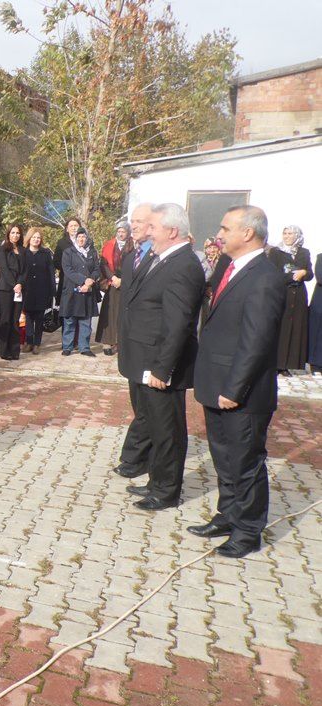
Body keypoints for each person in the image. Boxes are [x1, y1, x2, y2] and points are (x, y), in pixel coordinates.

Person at [189, 205, 287, 558]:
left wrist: (234, 388)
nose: (219, 234)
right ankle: (227, 515)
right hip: (217, 383)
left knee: (245, 463)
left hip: (242, 392)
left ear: (248, 233)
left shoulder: (264, 276)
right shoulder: (229, 267)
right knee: (223, 458)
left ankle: (247, 532)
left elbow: (256, 341)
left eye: (225, 228)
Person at [117, 203, 205, 511]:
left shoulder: (184, 265)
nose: (147, 232)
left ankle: (166, 491)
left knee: (167, 430)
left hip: (160, 364)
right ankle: (156, 480)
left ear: (172, 230)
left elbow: (178, 324)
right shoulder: (162, 259)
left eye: (153, 227)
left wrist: (162, 368)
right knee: (155, 425)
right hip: (145, 359)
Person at [114, 203, 155, 479]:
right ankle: (140, 456)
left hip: (151, 346)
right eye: (132, 222)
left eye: (139, 221)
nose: (133, 226)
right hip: (131, 343)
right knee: (139, 404)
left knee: (150, 408)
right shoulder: (131, 258)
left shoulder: (161, 258)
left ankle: (136, 457)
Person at [267, 226, 313, 375]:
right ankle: (276, 363)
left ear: (297, 235)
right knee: (281, 326)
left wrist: (303, 272)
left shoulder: (304, 252)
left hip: (298, 295)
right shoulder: (276, 252)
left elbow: (310, 274)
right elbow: (272, 272)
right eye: (285, 233)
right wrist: (292, 275)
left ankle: (286, 364)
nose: (287, 236)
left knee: (294, 328)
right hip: (283, 292)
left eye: (290, 233)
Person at [58, 228, 100, 356]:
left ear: (86, 238)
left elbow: (97, 269)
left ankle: (84, 347)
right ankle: (67, 347)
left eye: (83, 237)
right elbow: (68, 270)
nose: (81, 239)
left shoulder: (92, 252)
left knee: (85, 321)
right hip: (72, 290)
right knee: (70, 320)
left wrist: (90, 281)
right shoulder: (68, 252)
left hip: (88, 291)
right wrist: (83, 280)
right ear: (75, 238)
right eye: (79, 237)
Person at [95, 220, 133, 356]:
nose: (120, 234)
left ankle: (120, 342)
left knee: (123, 313)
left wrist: (124, 280)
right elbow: (103, 264)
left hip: (127, 283)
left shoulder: (133, 245)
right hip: (112, 282)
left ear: (128, 233)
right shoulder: (109, 245)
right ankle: (108, 341)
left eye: (123, 231)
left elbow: (136, 265)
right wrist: (113, 278)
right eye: (119, 231)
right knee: (109, 313)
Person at [0, 223, 26, 360]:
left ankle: (14, 350)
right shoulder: (3, 249)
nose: (15, 235)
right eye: (13, 233)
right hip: (6, 289)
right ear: (8, 234)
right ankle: (3, 350)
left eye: (17, 233)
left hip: (19, 289)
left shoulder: (23, 250)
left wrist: (20, 283)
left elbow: (25, 270)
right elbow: (4, 269)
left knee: (15, 320)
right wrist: (14, 284)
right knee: (6, 320)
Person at [22, 229, 55, 354]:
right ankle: (29, 342)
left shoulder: (45, 253)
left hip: (42, 289)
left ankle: (37, 344)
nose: (36, 239)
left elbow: (51, 272)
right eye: (34, 237)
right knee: (29, 318)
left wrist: (52, 291)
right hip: (28, 290)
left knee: (39, 318)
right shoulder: (24, 253)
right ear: (29, 238)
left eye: (38, 237)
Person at [54, 217, 81, 306]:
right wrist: (68, 268)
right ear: (67, 229)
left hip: (82, 279)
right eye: (71, 226)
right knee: (66, 308)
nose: (73, 228)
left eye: (76, 226)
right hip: (66, 279)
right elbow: (56, 262)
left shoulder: (86, 242)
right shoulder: (62, 243)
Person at [309, 251, 322, 374]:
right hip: (320, 302)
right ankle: (316, 365)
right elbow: (320, 276)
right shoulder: (321, 257)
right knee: (318, 335)